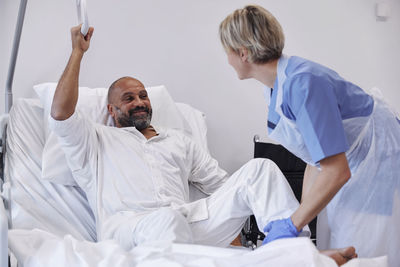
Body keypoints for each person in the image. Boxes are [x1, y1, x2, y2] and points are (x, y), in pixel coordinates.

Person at [219, 4, 400, 266]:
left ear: (243, 53)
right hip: (348, 161)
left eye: (227, 51)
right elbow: (314, 157)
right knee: (331, 242)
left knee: (362, 247)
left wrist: (292, 224)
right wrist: (300, 218)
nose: (227, 60)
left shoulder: (303, 84)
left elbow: (336, 171)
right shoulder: (275, 88)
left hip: (377, 157)